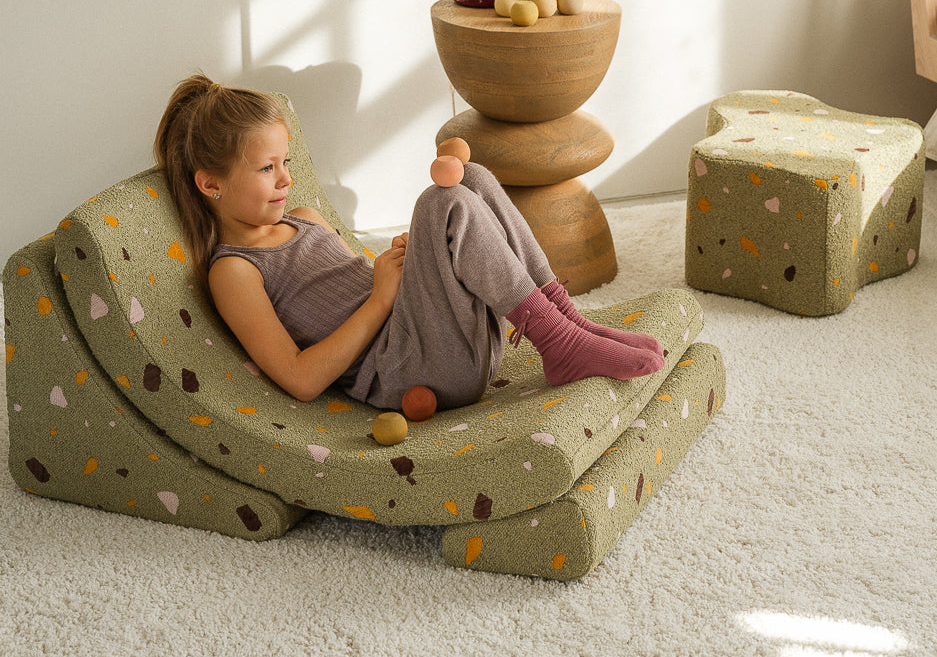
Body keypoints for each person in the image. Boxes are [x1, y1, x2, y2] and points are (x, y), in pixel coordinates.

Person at [154, 74, 665, 411]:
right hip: (408, 370)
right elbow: (300, 379)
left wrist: (409, 259)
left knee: (474, 179)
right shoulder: (235, 270)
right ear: (211, 184)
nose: (286, 179)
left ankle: (565, 324)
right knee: (438, 204)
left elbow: (368, 282)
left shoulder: (306, 219)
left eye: (285, 162)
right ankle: (562, 342)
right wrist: (382, 295)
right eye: (267, 169)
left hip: (443, 341)